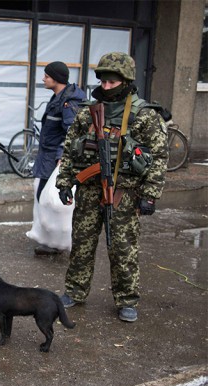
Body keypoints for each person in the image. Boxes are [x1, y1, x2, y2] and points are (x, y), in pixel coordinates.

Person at [56, 52, 168, 322]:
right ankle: (75, 290)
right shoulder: (87, 112)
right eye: (103, 82)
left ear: (126, 82)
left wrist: (150, 195)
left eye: (112, 83)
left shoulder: (144, 115)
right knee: (81, 244)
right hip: (89, 190)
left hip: (124, 195)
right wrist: (64, 182)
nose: (106, 87)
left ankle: (126, 299)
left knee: (123, 248)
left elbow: (160, 157)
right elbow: (71, 150)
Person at [30, 61, 86, 256]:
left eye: (46, 76)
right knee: (42, 197)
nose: (43, 79)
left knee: (53, 200)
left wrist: (62, 157)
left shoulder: (69, 103)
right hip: (48, 155)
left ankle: (59, 243)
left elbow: (72, 132)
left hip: (55, 157)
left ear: (57, 78)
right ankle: (51, 241)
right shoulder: (59, 98)